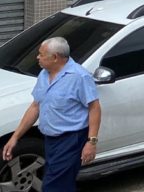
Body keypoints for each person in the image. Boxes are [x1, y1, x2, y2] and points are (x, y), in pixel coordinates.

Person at [3, 37, 101, 190]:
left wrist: (91, 142)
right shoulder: (44, 74)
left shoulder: (79, 77)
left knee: (52, 185)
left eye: (41, 54)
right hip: (50, 139)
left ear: (55, 57)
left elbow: (94, 108)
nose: (37, 57)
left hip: (71, 140)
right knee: (62, 184)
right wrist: (15, 137)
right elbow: (35, 107)